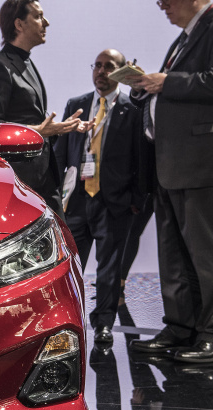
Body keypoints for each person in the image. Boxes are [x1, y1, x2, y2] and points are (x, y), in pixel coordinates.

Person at [128, 0, 213, 363]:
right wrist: (145, 87)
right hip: (172, 162)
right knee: (174, 256)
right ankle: (181, 327)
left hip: (204, 163)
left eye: (166, 0)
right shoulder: (185, 37)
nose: (161, 6)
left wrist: (166, 82)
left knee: (210, 254)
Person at [54, 49, 144, 345]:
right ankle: (68, 321)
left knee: (109, 269)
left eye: (109, 66)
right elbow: (61, 153)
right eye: (98, 65)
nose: (101, 71)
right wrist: (56, 197)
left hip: (114, 200)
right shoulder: (76, 105)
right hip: (78, 199)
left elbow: (141, 158)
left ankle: (104, 323)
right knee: (70, 267)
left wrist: (136, 199)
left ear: (121, 71)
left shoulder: (132, 109)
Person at [0, 0, 86, 220]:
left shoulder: (25, 62)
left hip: (43, 178)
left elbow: (31, 119)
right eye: (38, 16)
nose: (46, 22)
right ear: (19, 24)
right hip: (19, 184)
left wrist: (58, 129)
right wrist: (38, 131)